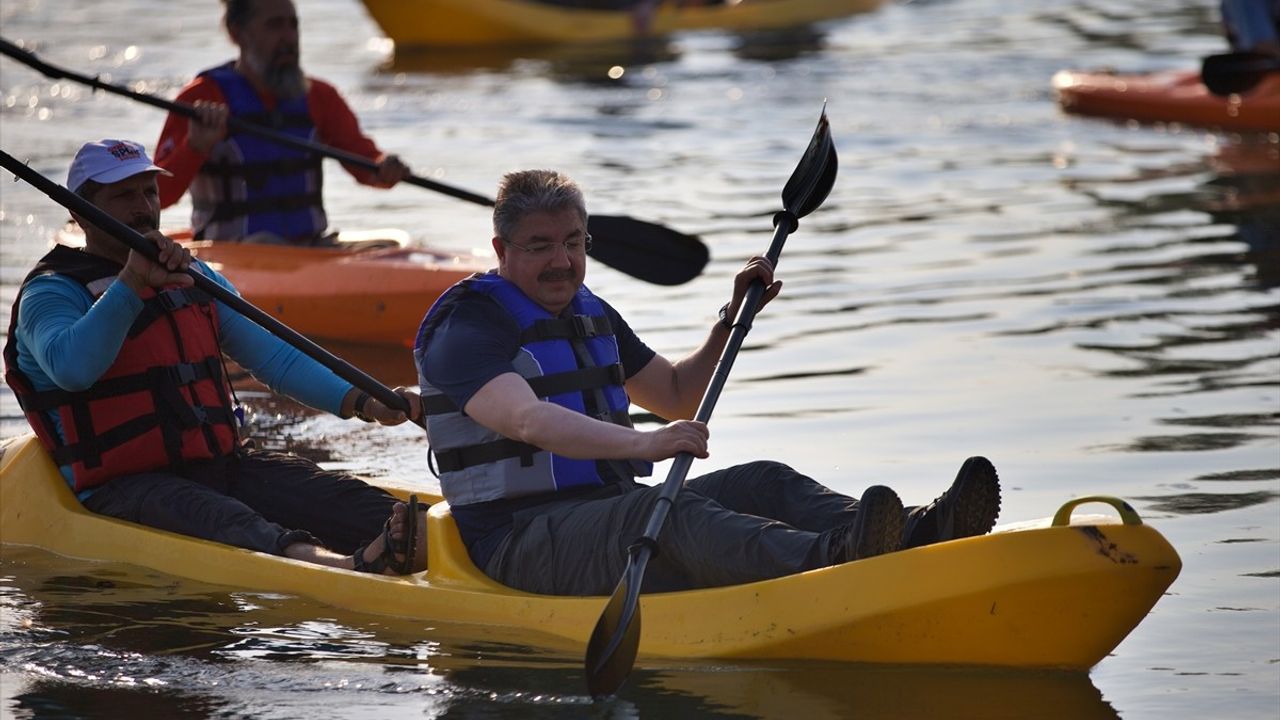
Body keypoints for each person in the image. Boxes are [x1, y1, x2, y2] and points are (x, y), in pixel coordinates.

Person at [414, 169, 1002, 596]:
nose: (561, 261)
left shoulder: (589, 311)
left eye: (572, 243)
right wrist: (648, 444)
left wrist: (732, 317)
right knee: (669, 513)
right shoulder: (465, 324)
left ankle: (918, 533)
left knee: (765, 481)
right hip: (516, 543)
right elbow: (526, 420)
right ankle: (833, 562)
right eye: (540, 247)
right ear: (501, 249)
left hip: (610, 512)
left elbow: (675, 395)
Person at [4, 139, 425, 575]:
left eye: (150, 192)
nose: (144, 207)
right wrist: (132, 281)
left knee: (349, 501)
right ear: (78, 211)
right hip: (123, 488)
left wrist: (366, 402)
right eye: (124, 195)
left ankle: (443, 550)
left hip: (220, 466)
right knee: (229, 520)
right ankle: (347, 568)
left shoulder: (193, 275)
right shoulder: (50, 292)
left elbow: (277, 359)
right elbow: (73, 370)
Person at [153, 0, 410, 245]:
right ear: (237, 33)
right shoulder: (201, 98)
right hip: (231, 253)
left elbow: (366, 162)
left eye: (293, 24)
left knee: (393, 247)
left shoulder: (320, 96)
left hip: (310, 248)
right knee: (264, 242)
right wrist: (195, 146)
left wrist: (385, 168)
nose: (289, 37)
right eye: (275, 25)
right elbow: (158, 195)